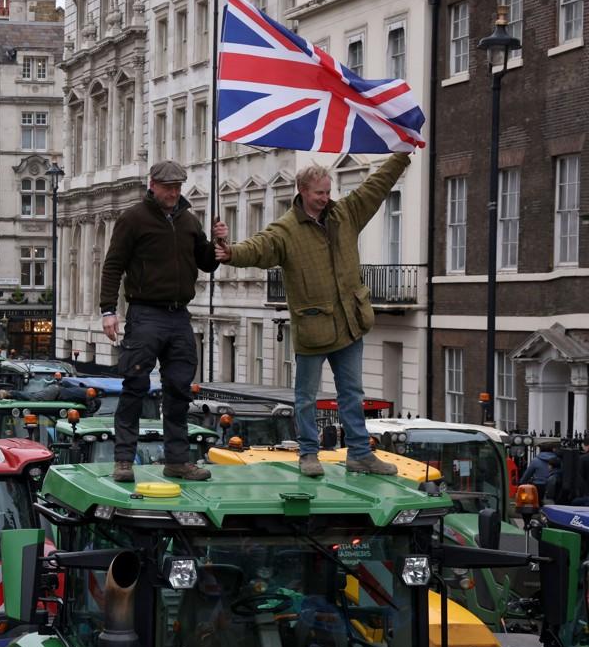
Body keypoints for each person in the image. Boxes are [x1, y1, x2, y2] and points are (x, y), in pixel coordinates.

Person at [215, 153, 411, 478]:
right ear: (302, 191)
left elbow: (375, 187)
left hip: (349, 323)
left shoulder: (345, 214)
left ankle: (360, 454)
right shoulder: (286, 230)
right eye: (319, 192)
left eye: (327, 191)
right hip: (313, 328)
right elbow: (260, 247)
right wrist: (232, 252)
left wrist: (400, 158)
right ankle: (308, 454)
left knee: (352, 394)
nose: (325, 198)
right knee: (305, 398)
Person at [100, 160, 220, 483]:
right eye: (168, 187)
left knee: (179, 390)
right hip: (145, 313)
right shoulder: (133, 219)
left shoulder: (189, 221)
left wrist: (218, 246)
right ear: (152, 184)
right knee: (134, 386)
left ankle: (177, 461)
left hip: (179, 315)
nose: (173, 192)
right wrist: (108, 310)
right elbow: (113, 265)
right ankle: (124, 459)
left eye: (177, 187)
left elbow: (206, 263)